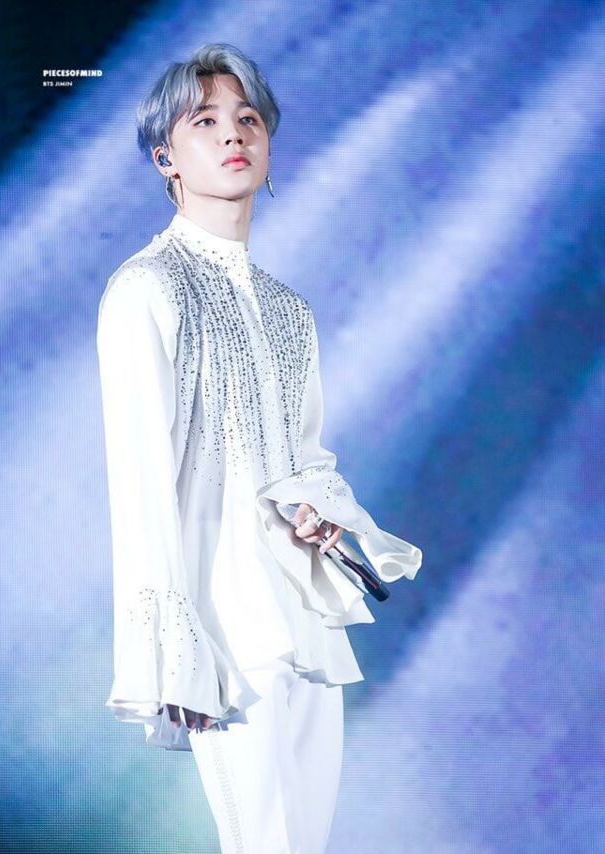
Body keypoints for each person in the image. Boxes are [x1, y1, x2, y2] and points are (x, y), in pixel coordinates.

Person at [96, 42, 422, 854]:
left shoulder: (287, 309)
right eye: (204, 121)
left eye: (248, 119)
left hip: (304, 615)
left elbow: (304, 457)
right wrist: (174, 652)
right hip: (223, 626)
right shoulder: (147, 288)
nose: (233, 134)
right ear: (165, 156)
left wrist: (319, 511)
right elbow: (140, 487)